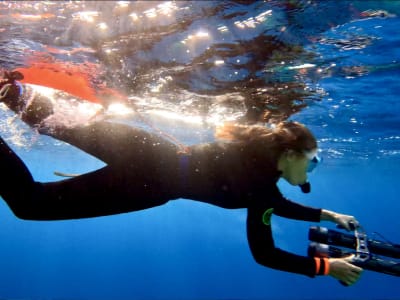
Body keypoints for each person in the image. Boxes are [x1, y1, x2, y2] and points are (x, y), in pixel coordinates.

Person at [0, 70, 362, 285]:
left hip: (144, 150)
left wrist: (325, 215)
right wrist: (327, 267)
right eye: (312, 162)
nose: (312, 170)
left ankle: (7, 85)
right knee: (31, 202)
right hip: (146, 183)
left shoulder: (259, 155)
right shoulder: (261, 187)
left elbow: (276, 204)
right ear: (291, 155)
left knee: (46, 125)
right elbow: (265, 255)